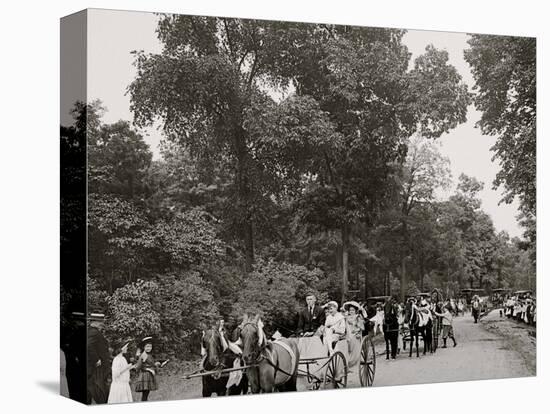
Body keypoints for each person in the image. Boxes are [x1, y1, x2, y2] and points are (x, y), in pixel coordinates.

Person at [87, 313, 110, 404]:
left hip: (93, 369)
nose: (102, 323)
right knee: (101, 393)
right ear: (95, 322)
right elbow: (88, 346)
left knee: (90, 392)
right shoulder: (94, 332)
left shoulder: (91, 331)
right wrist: (96, 359)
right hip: (96, 370)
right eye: (101, 321)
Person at [134, 337, 162, 401]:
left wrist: (157, 364)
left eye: (150, 346)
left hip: (149, 375)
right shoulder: (143, 355)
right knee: (145, 394)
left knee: (146, 394)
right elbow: (138, 367)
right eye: (147, 346)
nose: (149, 348)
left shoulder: (149, 355)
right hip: (145, 376)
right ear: (144, 347)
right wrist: (148, 369)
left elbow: (151, 364)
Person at [343, 301, 365, 367]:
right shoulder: (347, 318)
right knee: (345, 342)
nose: (351, 311)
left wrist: (356, 329)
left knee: (353, 340)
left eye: (353, 310)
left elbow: (362, 327)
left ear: (355, 310)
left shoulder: (358, 317)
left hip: (356, 334)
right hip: (348, 333)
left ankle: (355, 358)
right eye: (350, 310)